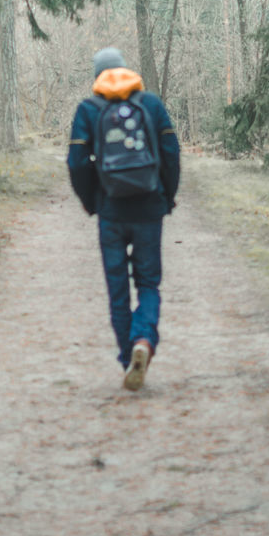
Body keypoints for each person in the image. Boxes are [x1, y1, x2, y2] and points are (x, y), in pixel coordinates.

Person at [67, 47, 180, 391]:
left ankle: (126, 356)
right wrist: (167, 197)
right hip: (148, 210)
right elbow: (171, 155)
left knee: (117, 290)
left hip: (111, 212)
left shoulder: (88, 110)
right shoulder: (152, 105)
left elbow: (76, 163)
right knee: (148, 283)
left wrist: (91, 203)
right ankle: (143, 340)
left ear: (97, 76)